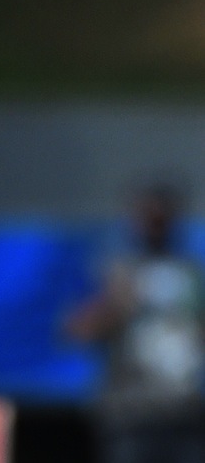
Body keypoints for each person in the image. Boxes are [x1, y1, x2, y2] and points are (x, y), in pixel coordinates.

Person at [68, 184, 205, 463]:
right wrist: (116, 306)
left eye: (162, 220)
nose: (155, 228)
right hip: (130, 412)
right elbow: (75, 330)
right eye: (149, 219)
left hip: (183, 409)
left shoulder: (191, 274)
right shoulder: (115, 270)